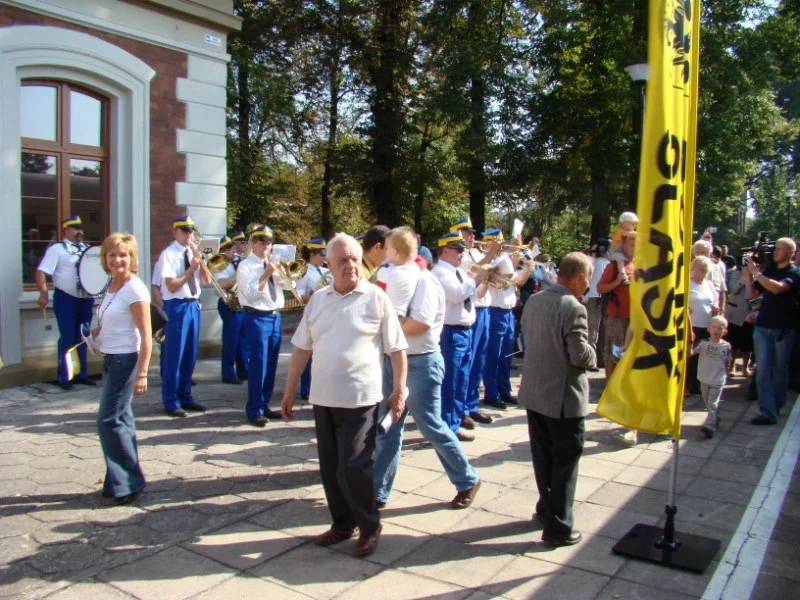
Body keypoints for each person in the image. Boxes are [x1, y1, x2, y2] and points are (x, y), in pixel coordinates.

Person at [281, 234, 408, 558]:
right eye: (343, 259)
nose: (351, 265)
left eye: (354, 258)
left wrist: (399, 389)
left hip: (361, 399)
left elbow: (397, 348)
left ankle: (369, 526)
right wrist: (289, 388)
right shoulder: (319, 300)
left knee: (354, 466)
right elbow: (301, 347)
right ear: (328, 263)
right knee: (331, 468)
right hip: (323, 398)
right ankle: (342, 524)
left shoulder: (376, 298)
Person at [373, 252, 481, 510]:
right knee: (388, 427)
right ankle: (378, 491)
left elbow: (419, 324)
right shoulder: (397, 281)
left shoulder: (426, 282)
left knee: (431, 426)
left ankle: (467, 480)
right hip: (394, 361)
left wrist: (383, 326)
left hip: (420, 363)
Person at [518, 252, 595, 547]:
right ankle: (559, 527)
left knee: (543, 458)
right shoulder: (572, 307)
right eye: (587, 280)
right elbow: (579, 355)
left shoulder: (535, 300)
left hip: (536, 393)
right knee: (565, 462)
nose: (588, 286)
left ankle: (545, 509)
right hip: (563, 398)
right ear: (578, 277)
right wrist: (595, 355)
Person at [92, 233, 152, 505]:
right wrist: (96, 332)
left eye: (123, 255)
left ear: (132, 258)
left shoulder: (134, 289)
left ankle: (128, 483)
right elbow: (111, 318)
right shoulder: (112, 286)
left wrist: (142, 373)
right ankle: (118, 481)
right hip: (110, 358)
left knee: (108, 420)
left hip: (125, 361)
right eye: (112, 254)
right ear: (105, 258)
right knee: (121, 421)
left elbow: (147, 336)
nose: (117, 260)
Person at [432, 232, 489, 441]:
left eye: (462, 250)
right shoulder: (440, 272)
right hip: (450, 331)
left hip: (465, 330)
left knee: (462, 379)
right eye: (457, 250)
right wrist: (478, 277)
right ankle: (446, 426)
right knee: (451, 381)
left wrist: (486, 279)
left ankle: (454, 422)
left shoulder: (459, 272)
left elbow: (474, 294)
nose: (461, 253)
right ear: (444, 250)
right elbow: (456, 295)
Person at [155, 215, 210, 417]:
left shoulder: (193, 253)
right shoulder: (168, 254)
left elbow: (205, 281)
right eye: (185, 231)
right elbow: (171, 285)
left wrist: (202, 264)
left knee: (190, 354)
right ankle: (171, 400)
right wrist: (192, 268)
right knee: (174, 355)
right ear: (175, 232)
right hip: (176, 306)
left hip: (193, 305)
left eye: (191, 231)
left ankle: (185, 396)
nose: (189, 235)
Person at [35, 215, 96, 390]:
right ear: (66, 231)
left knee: (84, 336)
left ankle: (81, 374)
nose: (80, 232)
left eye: (81, 228)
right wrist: (43, 293)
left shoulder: (87, 249)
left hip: (85, 298)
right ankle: (65, 376)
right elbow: (41, 271)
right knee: (68, 337)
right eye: (75, 228)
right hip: (66, 298)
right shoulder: (57, 249)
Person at [744, 238, 800, 425]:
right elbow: (752, 295)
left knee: (779, 371)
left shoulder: (795, 272)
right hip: (762, 327)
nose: (775, 252)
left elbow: (778, 289)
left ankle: (776, 405)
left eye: (780, 249)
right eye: (775, 248)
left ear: (791, 252)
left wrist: (756, 274)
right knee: (763, 371)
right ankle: (768, 411)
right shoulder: (769, 270)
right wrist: (748, 276)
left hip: (783, 329)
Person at [236, 225, 288, 427]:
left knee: (271, 363)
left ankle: (264, 403)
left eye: (269, 242)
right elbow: (250, 294)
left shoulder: (271, 263)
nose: (266, 245)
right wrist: (266, 274)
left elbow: (284, 288)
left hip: (274, 316)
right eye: (262, 241)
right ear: (254, 243)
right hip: (257, 316)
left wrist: (283, 273)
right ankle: (254, 408)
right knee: (258, 364)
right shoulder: (246, 266)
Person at [482, 228, 533, 409]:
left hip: (508, 311)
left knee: (506, 356)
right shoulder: (495, 260)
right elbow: (506, 272)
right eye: (500, 242)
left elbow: (516, 281)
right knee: (493, 356)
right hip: (495, 311)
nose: (504, 245)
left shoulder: (505, 259)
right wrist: (513, 252)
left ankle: (504, 390)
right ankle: (492, 393)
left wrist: (527, 268)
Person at [454, 217, 497, 425]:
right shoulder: (459, 256)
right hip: (472, 311)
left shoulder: (476, 252)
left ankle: (472, 404)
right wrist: (491, 255)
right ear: (458, 233)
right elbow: (473, 271)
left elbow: (485, 273)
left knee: (478, 360)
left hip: (484, 308)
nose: (473, 236)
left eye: (472, 233)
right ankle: (460, 409)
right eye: (468, 232)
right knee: (467, 364)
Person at [596, 231, 637, 446]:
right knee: (615, 354)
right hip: (617, 317)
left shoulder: (643, 264)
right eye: (631, 241)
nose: (635, 245)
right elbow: (600, 288)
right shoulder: (615, 266)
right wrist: (618, 282)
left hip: (638, 318)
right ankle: (613, 393)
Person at [295, 237, 330, 399]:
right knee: (309, 352)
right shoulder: (304, 272)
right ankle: (307, 388)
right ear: (312, 254)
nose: (324, 258)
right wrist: (317, 295)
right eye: (321, 254)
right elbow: (299, 296)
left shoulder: (325, 271)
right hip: (313, 313)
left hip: (328, 313)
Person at [215, 236, 249, 384]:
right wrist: (238, 275)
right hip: (228, 303)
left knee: (242, 341)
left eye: (232, 248)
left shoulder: (236, 263)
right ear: (222, 251)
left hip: (240, 303)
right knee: (231, 340)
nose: (232, 251)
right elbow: (221, 283)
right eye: (229, 249)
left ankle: (243, 371)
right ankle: (228, 373)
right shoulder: (219, 264)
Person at [692, 315, 733, 438]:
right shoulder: (703, 343)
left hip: (717, 380)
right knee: (708, 403)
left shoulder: (726, 346)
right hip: (704, 378)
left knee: (712, 404)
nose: (716, 330)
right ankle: (715, 418)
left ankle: (710, 427)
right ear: (708, 329)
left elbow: (728, 361)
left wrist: (726, 372)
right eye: (714, 327)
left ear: (724, 332)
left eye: (720, 328)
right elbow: (691, 353)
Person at [687, 256, 720, 395]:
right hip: (693, 325)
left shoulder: (709, 284)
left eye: (705, 268)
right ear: (693, 267)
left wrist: (716, 307)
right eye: (700, 267)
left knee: (704, 357)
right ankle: (688, 386)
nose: (703, 270)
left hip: (707, 325)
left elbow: (715, 300)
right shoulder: (687, 283)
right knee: (690, 356)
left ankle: (701, 385)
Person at [376, 226, 422, 317]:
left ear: (395, 252)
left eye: (386, 248)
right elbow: (421, 261)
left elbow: (376, 298)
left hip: (385, 315)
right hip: (403, 315)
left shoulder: (384, 273)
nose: (385, 251)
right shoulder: (415, 268)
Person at [724, 260, 753, 376]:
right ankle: (731, 365)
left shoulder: (758, 275)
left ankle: (745, 367)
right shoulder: (734, 274)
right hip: (734, 313)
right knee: (733, 343)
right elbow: (732, 291)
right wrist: (743, 279)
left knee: (747, 344)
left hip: (748, 315)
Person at [584, 240, 610, 371]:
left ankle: (600, 359)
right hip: (597, 298)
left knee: (599, 332)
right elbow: (597, 284)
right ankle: (592, 360)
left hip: (599, 299)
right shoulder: (600, 263)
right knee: (593, 332)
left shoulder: (605, 263)